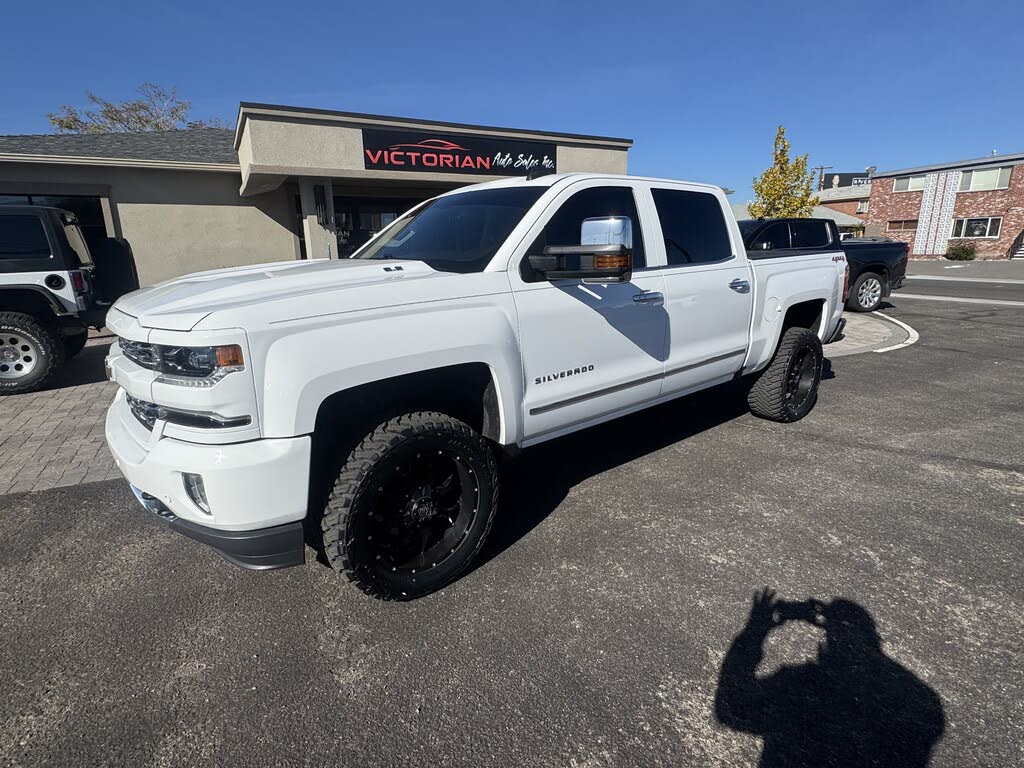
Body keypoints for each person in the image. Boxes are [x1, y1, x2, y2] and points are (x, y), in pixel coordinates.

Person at [715, 589, 945, 767]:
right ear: (873, 639)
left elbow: (732, 705)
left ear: (829, 640)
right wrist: (847, 625)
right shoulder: (919, 702)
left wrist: (755, 630)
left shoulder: (803, 691)